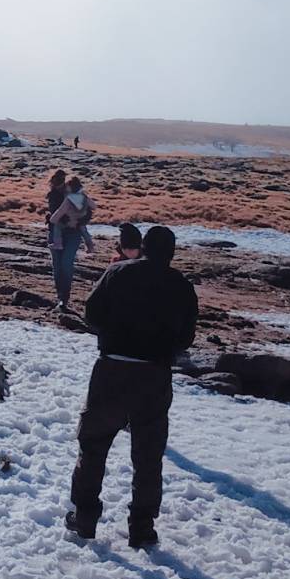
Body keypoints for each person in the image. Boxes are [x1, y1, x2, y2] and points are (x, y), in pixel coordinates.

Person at [66, 225, 198, 550]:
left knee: (94, 443)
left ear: (143, 246)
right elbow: (186, 338)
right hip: (154, 375)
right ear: (171, 253)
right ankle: (141, 528)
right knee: (148, 453)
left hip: (111, 367)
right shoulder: (181, 286)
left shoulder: (117, 273)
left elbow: (91, 314)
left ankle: (84, 517)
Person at [48, 175, 94, 312]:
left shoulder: (70, 197)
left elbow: (54, 217)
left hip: (70, 233)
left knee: (65, 264)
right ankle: (61, 297)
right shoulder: (56, 195)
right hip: (65, 231)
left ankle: (64, 298)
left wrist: (76, 220)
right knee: (59, 266)